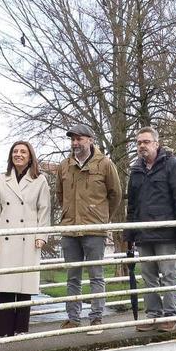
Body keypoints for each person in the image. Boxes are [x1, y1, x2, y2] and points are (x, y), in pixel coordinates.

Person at [55, 124, 122, 329]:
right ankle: (73, 318)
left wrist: (101, 216)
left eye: (79, 139)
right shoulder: (64, 166)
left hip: (94, 229)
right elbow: (60, 194)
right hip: (70, 229)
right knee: (72, 276)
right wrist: (69, 213)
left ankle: (96, 317)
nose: (75, 143)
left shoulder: (105, 164)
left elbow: (116, 194)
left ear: (90, 140)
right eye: (73, 139)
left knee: (96, 274)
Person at [125, 126, 176, 332]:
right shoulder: (135, 170)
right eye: (138, 142)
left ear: (156, 143)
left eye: (145, 141)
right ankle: (153, 315)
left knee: (169, 274)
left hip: (166, 233)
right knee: (148, 276)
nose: (141, 146)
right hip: (144, 234)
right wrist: (129, 234)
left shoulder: (172, 165)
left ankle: (170, 315)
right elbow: (132, 205)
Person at [0, 141, 51, 337]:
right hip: (5, 235)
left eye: (23, 152)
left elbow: (45, 209)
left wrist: (42, 235)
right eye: (15, 151)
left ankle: (21, 329)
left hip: (29, 237)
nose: (19, 155)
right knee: (5, 285)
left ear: (30, 156)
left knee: (24, 286)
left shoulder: (40, 180)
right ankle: (2, 330)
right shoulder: (2, 179)